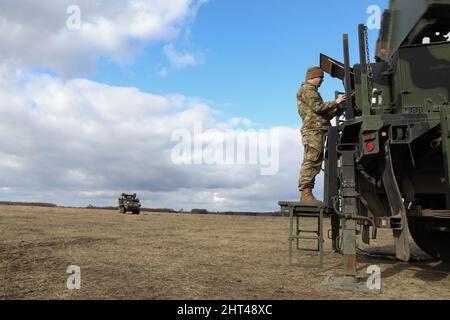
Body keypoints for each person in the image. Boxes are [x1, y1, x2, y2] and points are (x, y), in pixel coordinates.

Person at [297, 66, 347, 205]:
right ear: (313, 77)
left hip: (318, 129)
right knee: (312, 160)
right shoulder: (307, 90)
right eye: (321, 77)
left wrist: (338, 108)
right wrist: (335, 102)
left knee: (316, 160)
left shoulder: (312, 91)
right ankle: (305, 194)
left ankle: (307, 193)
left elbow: (323, 114)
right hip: (313, 130)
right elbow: (318, 107)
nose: (322, 80)